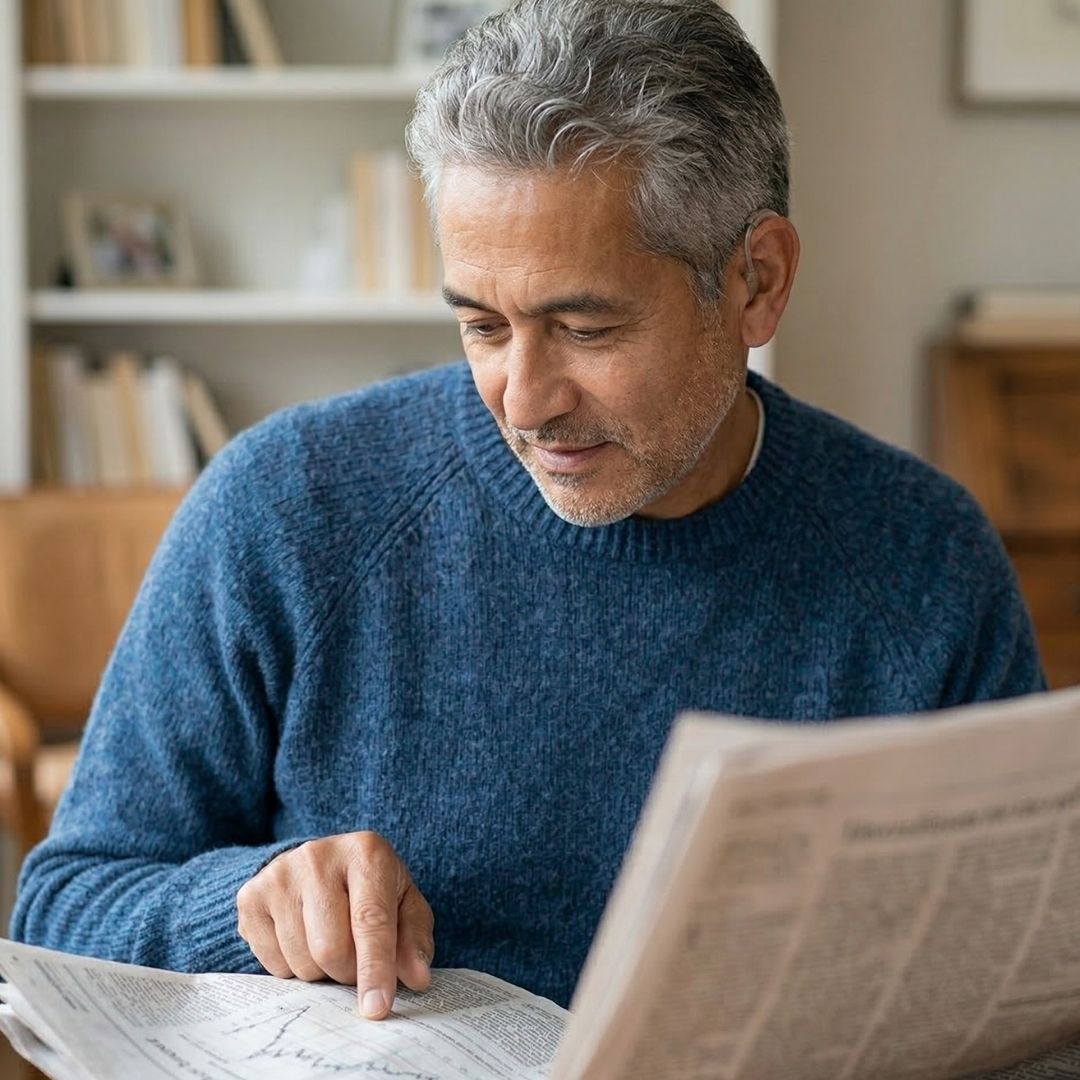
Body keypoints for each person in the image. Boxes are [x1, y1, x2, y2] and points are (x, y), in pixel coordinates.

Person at [13, 0, 1044, 1024]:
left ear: (756, 283)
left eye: (585, 327)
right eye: (482, 324)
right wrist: (243, 908)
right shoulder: (288, 507)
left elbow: (1025, 988)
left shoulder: (924, 563)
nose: (523, 396)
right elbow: (60, 907)